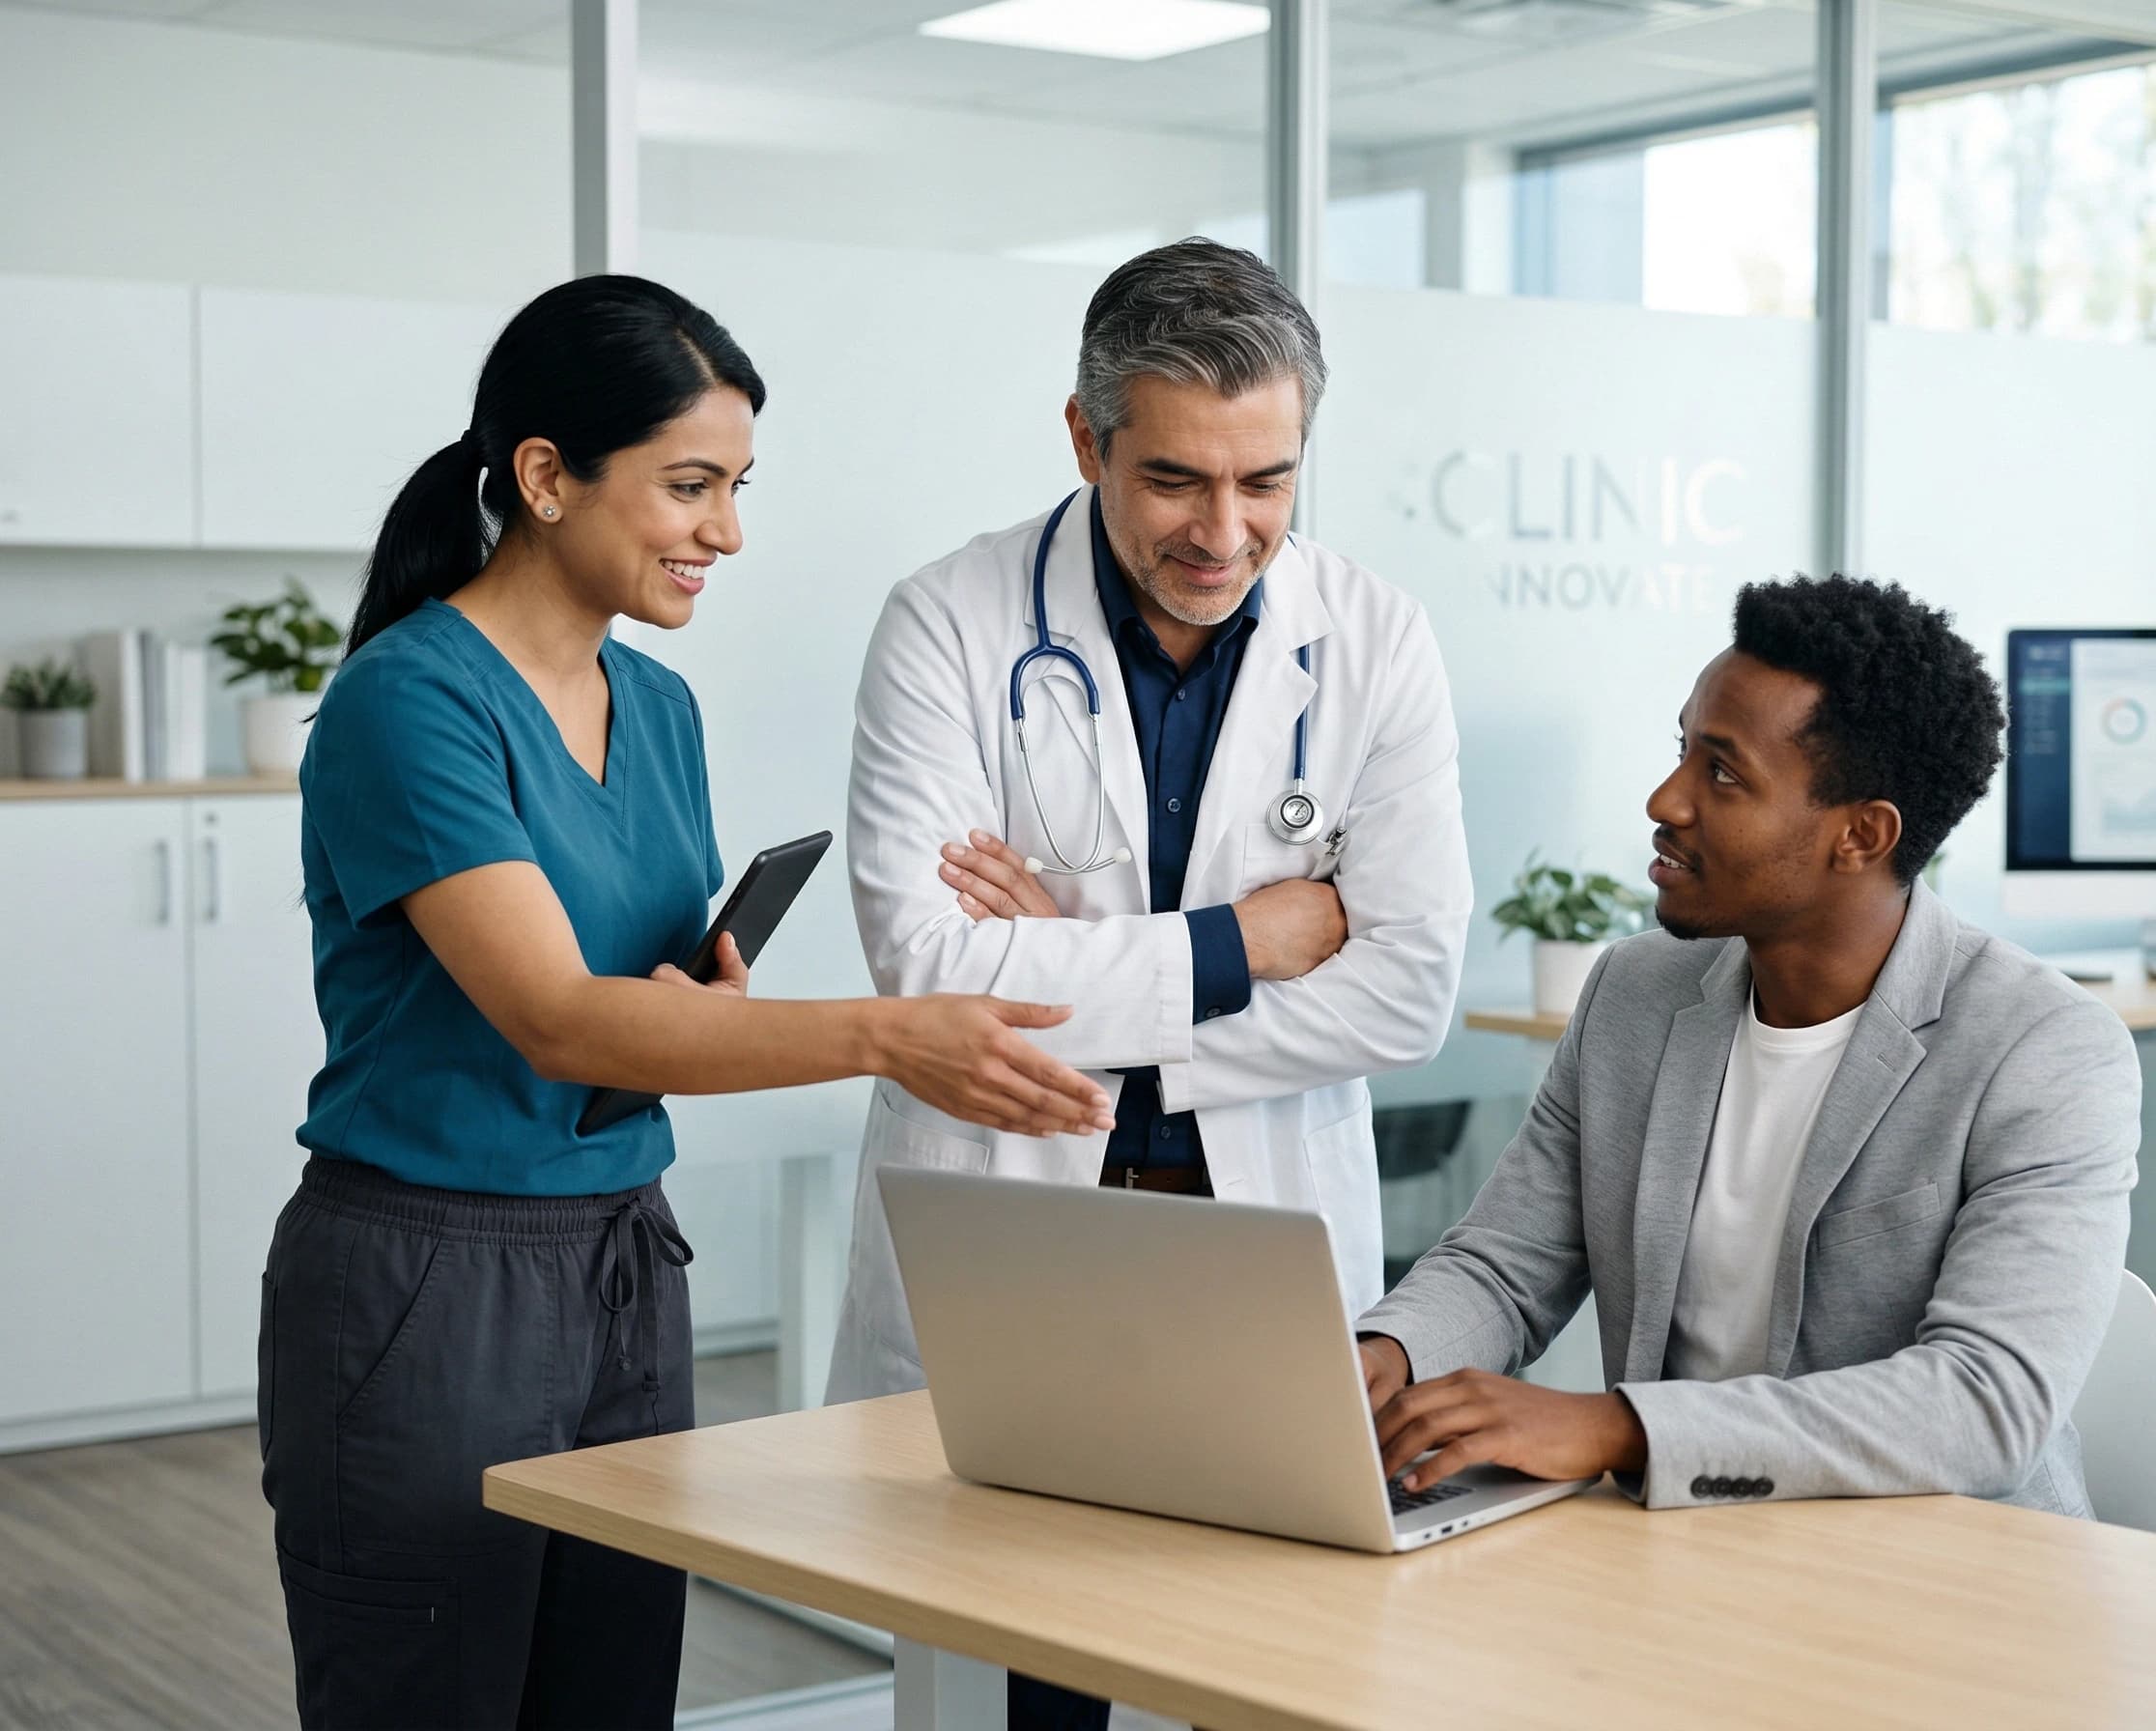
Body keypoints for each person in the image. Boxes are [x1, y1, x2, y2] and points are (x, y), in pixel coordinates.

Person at [257, 274, 1114, 1731]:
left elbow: (636, 1001)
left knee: (612, 1696)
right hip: (428, 1286)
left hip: (622, 1269)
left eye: (737, 486)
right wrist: (891, 1034)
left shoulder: (659, 709)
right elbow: (562, 1020)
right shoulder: (412, 703)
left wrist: (702, 1000)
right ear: (544, 477)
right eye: (691, 485)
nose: (727, 531)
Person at [825, 239, 1474, 1726]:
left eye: (1269, 480)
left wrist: (1101, 1009)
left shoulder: (1373, 640)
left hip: (1257, 1241)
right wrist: (1252, 940)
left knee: (1264, 1663)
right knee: (1015, 1666)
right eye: (1178, 479)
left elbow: (1410, 988)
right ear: (1084, 437)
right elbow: (935, 969)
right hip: (1022, 1229)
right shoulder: (950, 621)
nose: (1226, 531)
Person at [1356, 574, 2141, 1518]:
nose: (1666, 799)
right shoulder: (1633, 994)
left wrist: (1623, 1428)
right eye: (1681, 750)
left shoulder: (2047, 1049)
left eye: (1721, 773)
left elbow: (1982, 1400)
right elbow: (1505, 1264)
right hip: (1675, 1556)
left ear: (1861, 834)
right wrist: (1385, 1356)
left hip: (1949, 1587)